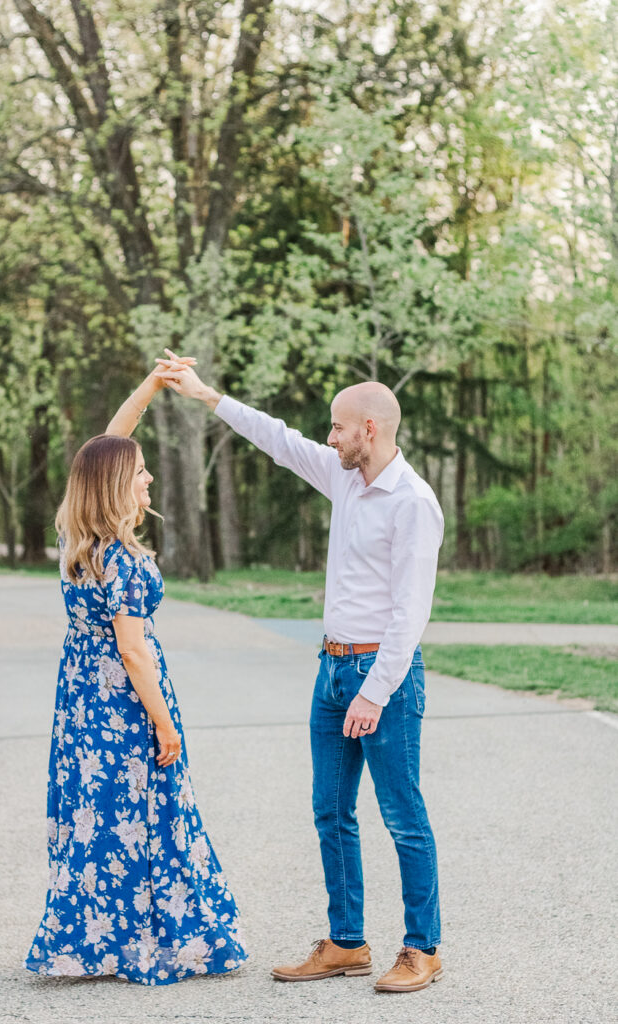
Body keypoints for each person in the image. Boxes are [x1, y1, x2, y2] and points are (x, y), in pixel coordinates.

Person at [157, 356, 443, 993]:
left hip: (382, 676)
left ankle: (422, 948)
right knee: (330, 812)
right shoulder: (344, 478)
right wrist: (207, 396)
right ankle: (346, 943)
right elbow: (279, 439)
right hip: (331, 669)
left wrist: (373, 692)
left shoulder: (413, 503)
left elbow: (410, 614)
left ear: (370, 428)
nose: (330, 438)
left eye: (339, 428)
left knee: (402, 813)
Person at [25, 364, 248, 985]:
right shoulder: (119, 557)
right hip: (123, 705)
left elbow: (103, 451)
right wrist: (164, 720)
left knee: (99, 819)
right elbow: (134, 652)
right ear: (122, 486)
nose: (148, 476)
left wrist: (150, 388)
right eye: (141, 471)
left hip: (80, 705)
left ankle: (94, 941)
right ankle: (162, 943)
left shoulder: (79, 538)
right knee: (148, 817)